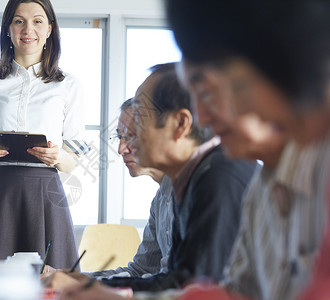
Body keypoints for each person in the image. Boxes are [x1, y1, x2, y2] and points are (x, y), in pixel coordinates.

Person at [164, 0, 330, 299]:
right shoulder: (260, 189)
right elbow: (240, 292)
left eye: (209, 90)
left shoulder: (319, 157)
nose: (203, 117)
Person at [52, 62, 257, 298]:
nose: (125, 143)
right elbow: (177, 279)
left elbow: (199, 290)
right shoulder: (195, 177)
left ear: (180, 124)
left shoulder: (220, 179)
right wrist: (90, 285)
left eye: (139, 117)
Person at [0, 0, 88, 272]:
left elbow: (73, 161)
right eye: (19, 21)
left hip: (46, 195)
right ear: (8, 29)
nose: (28, 29)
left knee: (48, 284)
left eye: (38, 21)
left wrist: (58, 156)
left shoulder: (69, 86)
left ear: (50, 29)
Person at [43, 98, 175, 278]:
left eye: (131, 136)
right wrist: (72, 278)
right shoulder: (160, 200)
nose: (121, 149)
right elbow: (140, 271)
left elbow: (173, 282)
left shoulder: (192, 194)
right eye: (120, 137)